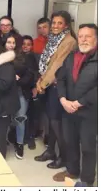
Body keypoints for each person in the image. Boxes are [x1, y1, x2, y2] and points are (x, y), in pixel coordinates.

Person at [53, 24, 98, 186]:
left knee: (87, 147)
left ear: (96, 38)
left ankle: (87, 180)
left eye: (88, 36)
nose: (84, 39)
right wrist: (63, 99)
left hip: (89, 111)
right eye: (81, 36)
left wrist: (80, 102)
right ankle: (72, 170)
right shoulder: (71, 56)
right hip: (68, 108)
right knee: (69, 141)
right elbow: (61, 78)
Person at [34, 11, 77, 169]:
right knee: (50, 121)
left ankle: (63, 157)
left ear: (66, 25)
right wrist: (40, 80)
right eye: (54, 23)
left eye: (60, 23)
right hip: (47, 83)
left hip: (57, 86)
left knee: (56, 122)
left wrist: (42, 84)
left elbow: (57, 65)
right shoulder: (53, 38)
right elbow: (47, 62)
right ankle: (50, 151)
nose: (56, 26)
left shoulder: (69, 41)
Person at [4, 34, 35, 159]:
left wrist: (18, 81)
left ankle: (20, 143)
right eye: (8, 42)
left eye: (13, 42)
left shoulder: (24, 57)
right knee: (4, 118)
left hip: (20, 91)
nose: (11, 45)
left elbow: (29, 76)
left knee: (20, 118)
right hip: (5, 92)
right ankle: (3, 141)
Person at [21, 35, 42, 150]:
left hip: (32, 88)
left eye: (28, 44)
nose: (25, 47)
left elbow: (37, 73)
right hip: (21, 88)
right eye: (24, 44)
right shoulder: (18, 57)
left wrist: (35, 87)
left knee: (31, 114)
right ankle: (22, 136)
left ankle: (30, 137)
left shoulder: (35, 57)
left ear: (32, 46)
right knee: (22, 114)